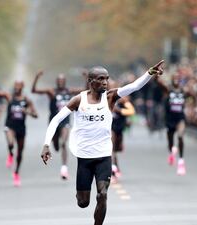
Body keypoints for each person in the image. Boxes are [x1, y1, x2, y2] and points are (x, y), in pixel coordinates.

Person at [41, 60, 164, 225]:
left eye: (106, 78)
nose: (105, 82)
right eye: (100, 79)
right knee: (83, 203)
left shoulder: (110, 97)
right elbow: (56, 120)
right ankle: (80, 194)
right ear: (91, 82)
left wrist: (149, 73)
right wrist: (46, 144)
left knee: (102, 194)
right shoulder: (79, 100)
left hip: (104, 155)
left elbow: (134, 86)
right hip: (84, 156)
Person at [32, 71, 85, 179]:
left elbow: (85, 90)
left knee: (63, 143)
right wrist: (36, 78)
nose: (60, 82)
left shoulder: (69, 91)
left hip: (65, 121)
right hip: (54, 121)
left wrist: (86, 78)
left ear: (65, 82)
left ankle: (64, 168)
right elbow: (34, 90)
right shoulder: (51, 92)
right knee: (56, 146)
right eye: (59, 80)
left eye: (62, 80)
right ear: (56, 82)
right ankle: (55, 142)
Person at [0, 81, 38, 186]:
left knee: (20, 152)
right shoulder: (10, 97)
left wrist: (27, 112)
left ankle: (16, 172)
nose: (16, 88)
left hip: (21, 128)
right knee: (11, 143)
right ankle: (10, 153)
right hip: (10, 126)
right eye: (15, 85)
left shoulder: (26, 100)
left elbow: (36, 115)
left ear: (22, 87)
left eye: (18, 86)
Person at [156, 75, 187, 175]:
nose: (177, 81)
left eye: (178, 79)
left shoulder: (183, 91)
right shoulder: (168, 90)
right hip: (170, 119)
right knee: (170, 141)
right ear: (172, 81)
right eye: (175, 79)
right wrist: (156, 76)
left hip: (180, 118)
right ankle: (171, 152)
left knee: (180, 136)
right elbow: (159, 84)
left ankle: (181, 161)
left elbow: (194, 96)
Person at [111, 95, 135, 180]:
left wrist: (119, 110)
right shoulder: (108, 99)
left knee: (116, 150)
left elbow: (131, 111)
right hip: (110, 128)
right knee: (111, 149)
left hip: (119, 129)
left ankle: (116, 168)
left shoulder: (124, 102)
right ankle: (113, 170)